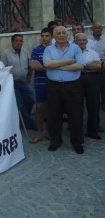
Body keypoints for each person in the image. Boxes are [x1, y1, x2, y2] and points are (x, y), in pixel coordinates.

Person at [43, 26, 85, 154]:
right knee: (54, 115)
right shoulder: (49, 49)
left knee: (75, 115)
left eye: (63, 33)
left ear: (67, 35)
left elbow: (80, 65)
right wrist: (68, 62)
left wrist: (58, 66)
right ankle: (55, 141)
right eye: (58, 33)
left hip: (73, 86)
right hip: (54, 86)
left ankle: (77, 142)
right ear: (54, 36)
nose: (61, 35)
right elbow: (47, 64)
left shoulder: (75, 48)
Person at [1, 34, 36, 130]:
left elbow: (30, 66)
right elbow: (3, 69)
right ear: (12, 42)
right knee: (19, 103)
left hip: (24, 82)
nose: (19, 43)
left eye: (21, 41)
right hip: (13, 83)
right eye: (17, 40)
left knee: (30, 100)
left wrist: (28, 78)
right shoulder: (6, 53)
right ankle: (30, 123)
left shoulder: (25, 52)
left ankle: (24, 121)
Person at [74, 33, 101, 140]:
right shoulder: (71, 53)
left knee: (93, 106)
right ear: (75, 42)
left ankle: (92, 130)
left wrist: (82, 65)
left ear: (87, 41)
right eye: (79, 40)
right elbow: (70, 65)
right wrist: (90, 64)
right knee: (76, 107)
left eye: (83, 40)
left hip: (92, 79)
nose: (81, 42)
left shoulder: (93, 52)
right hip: (76, 79)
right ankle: (77, 132)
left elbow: (99, 66)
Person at [29, 28, 52, 143]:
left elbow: (40, 65)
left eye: (47, 36)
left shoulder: (55, 49)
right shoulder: (36, 50)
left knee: (52, 107)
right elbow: (33, 65)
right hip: (40, 82)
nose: (44, 38)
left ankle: (49, 132)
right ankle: (39, 132)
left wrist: (42, 66)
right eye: (42, 35)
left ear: (51, 37)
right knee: (39, 107)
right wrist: (51, 67)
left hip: (53, 82)